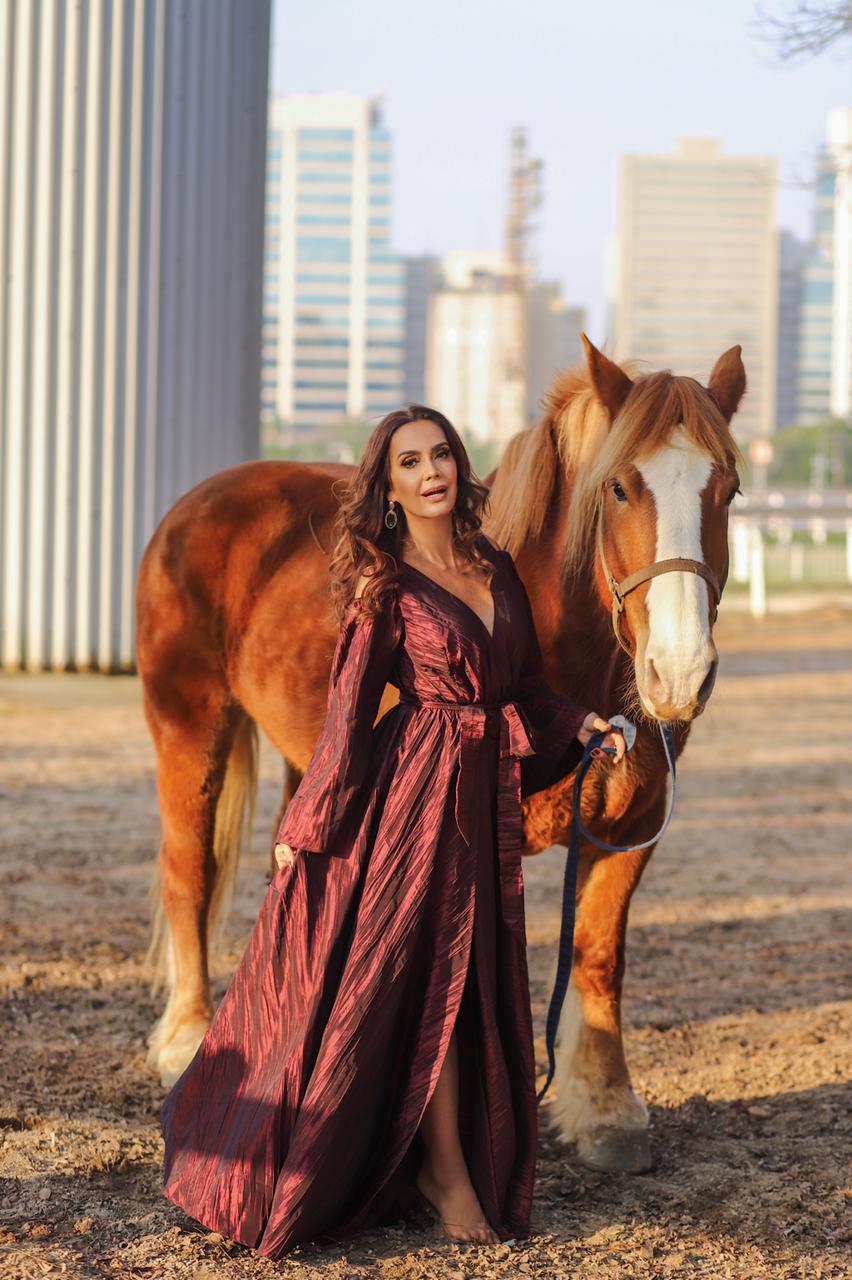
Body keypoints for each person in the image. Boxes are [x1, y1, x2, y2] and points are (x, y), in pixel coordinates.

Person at [160, 405, 624, 1257]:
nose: (431, 472)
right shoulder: (385, 583)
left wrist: (585, 724)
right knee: (429, 979)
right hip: (409, 798)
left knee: (468, 980)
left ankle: (429, 1160)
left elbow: (521, 689)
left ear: (459, 463)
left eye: (441, 453)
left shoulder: (496, 567)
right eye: (409, 463)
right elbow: (344, 720)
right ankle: (444, 1173)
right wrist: (309, 822)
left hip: (481, 800)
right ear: (390, 486)